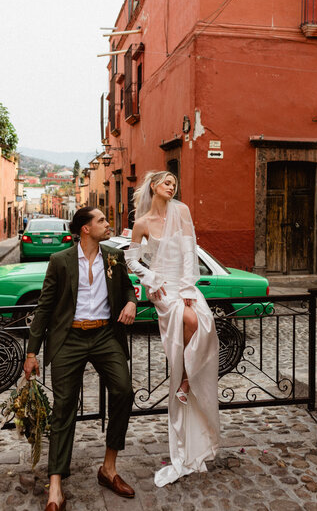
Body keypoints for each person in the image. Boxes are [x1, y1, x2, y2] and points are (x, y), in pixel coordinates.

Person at [24, 207, 137, 511]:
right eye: (101, 220)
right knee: (63, 408)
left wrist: (130, 302)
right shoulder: (60, 261)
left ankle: (109, 469)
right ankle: (56, 486)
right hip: (69, 339)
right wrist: (32, 352)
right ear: (85, 229)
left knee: (124, 390)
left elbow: (128, 287)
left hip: (104, 336)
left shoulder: (114, 256)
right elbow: (45, 308)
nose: (106, 223)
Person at [125, 171, 220, 487]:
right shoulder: (141, 223)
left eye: (175, 184)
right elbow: (132, 260)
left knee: (200, 325)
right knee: (186, 331)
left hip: (184, 284)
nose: (172, 186)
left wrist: (191, 290)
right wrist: (150, 279)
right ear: (154, 187)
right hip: (163, 289)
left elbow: (191, 251)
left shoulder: (182, 211)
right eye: (167, 183)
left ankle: (185, 384)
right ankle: (183, 381)